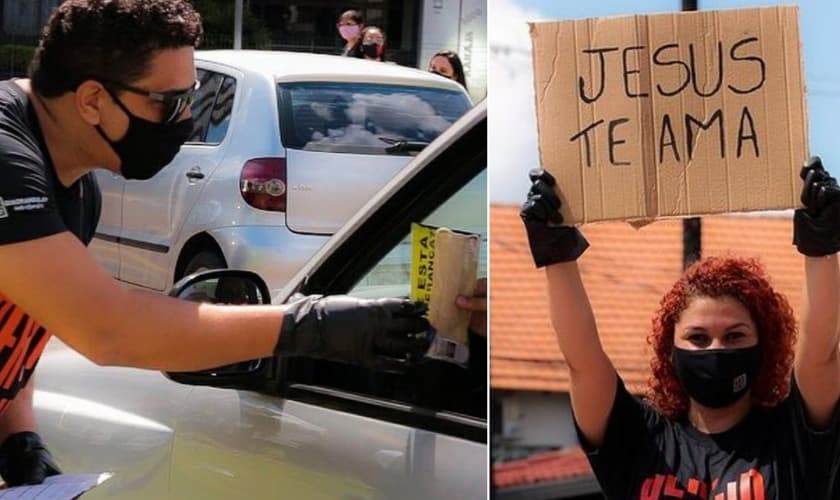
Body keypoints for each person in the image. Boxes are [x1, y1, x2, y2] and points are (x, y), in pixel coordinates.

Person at [0, 0, 430, 486]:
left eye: (193, 96)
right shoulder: (6, 157)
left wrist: (18, 435)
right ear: (92, 100)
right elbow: (106, 327)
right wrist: (306, 327)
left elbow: (30, 318)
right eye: (167, 103)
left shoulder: (77, 181)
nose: (186, 118)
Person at [520, 158, 840, 499]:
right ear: (669, 350)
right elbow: (581, 360)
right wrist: (555, 252)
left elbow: (822, 349)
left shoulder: (791, 437)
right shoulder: (638, 438)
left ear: (766, 345)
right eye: (697, 338)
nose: (716, 349)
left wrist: (821, 244)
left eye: (735, 336)